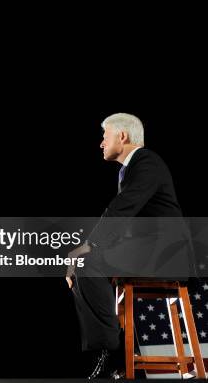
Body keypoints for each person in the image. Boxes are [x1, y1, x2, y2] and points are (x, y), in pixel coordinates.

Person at [67, 113, 185, 379]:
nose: (101, 143)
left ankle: (113, 351)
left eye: (104, 136)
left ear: (122, 136)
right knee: (82, 266)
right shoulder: (133, 168)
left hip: (163, 257)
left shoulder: (146, 161)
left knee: (84, 261)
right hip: (148, 252)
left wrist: (88, 246)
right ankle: (113, 348)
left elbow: (122, 208)